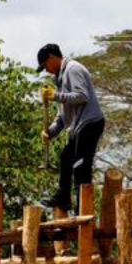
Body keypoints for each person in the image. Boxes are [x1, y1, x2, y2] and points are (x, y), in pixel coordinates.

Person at [36, 43, 105, 213]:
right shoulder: (60, 78)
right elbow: (63, 114)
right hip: (79, 126)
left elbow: (82, 96)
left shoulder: (73, 69)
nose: (46, 70)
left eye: (45, 65)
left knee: (80, 165)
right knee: (66, 157)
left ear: (52, 57)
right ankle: (64, 198)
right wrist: (51, 130)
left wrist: (56, 95)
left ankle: (83, 208)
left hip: (90, 123)